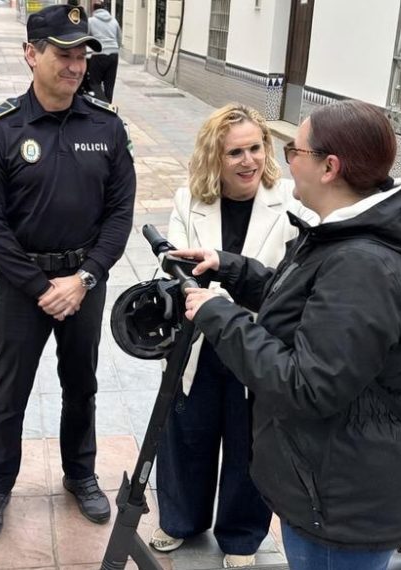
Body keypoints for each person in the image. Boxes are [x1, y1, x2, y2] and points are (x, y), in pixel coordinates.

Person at [175, 100, 401, 570]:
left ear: (330, 167)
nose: (281, 162)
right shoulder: (345, 234)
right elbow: (304, 308)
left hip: (343, 500)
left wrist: (221, 316)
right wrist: (232, 268)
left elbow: (307, 386)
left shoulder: (363, 265)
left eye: (293, 151)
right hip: (329, 475)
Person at [0, 3, 137, 543]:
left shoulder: (106, 126)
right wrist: (42, 287)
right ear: (30, 54)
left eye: (81, 54)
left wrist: (84, 278)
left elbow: (120, 213)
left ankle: (81, 475)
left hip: (84, 283)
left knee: (81, 386)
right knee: (9, 391)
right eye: (62, 54)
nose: (74, 65)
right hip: (23, 289)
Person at [148, 104, 296, 568]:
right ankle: (181, 521)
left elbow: (289, 279)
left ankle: (241, 536)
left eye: (255, 148)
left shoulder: (290, 202)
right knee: (187, 436)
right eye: (236, 152)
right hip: (200, 342)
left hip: (257, 342)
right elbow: (171, 268)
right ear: (215, 156)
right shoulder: (188, 200)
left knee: (249, 444)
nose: (248, 160)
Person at [87, 2, 122, 103]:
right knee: (109, 84)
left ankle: (99, 105)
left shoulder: (91, 21)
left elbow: (86, 36)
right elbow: (119, 39)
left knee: (95, 82)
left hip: (99, 54)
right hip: (113, 54)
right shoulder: (114, 21)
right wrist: (114, 49)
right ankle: (108, 108)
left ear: (94, 10)